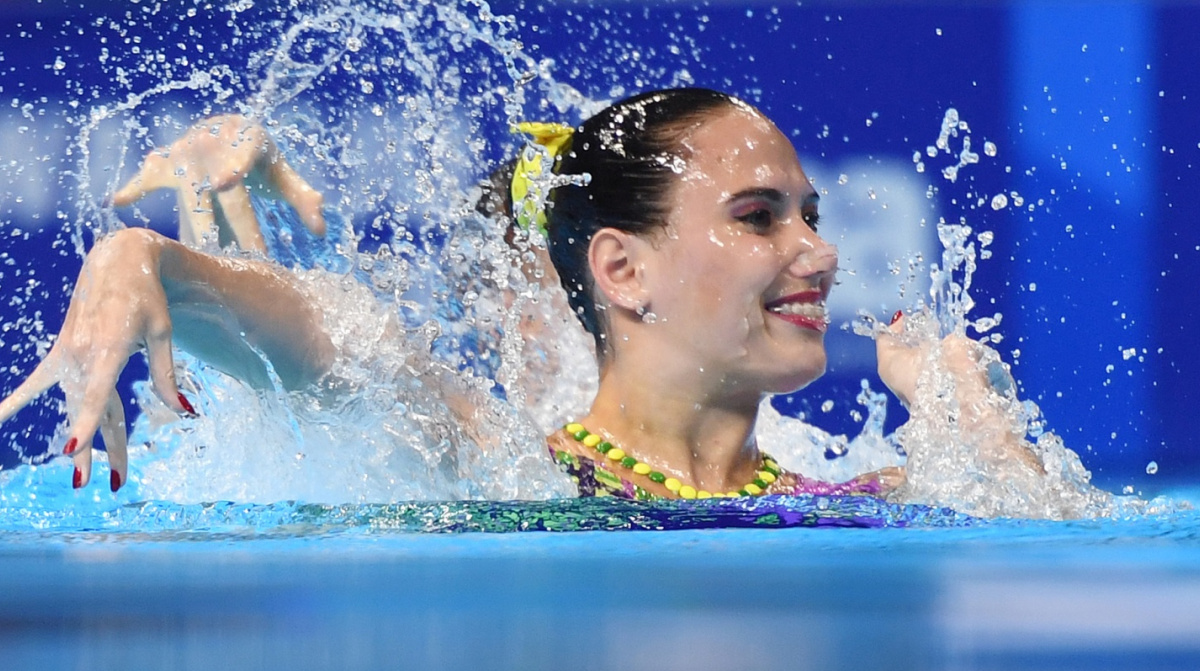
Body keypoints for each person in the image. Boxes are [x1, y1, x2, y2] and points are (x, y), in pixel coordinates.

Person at [0, 89, 1031, 498]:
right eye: (761, 217)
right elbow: (334, 347)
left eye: (811, 215)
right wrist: (140, 261)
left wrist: (966, 415)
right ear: (621, 271)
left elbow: (1046, 531)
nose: (819, 252)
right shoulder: (504, 468)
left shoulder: (850, 498)